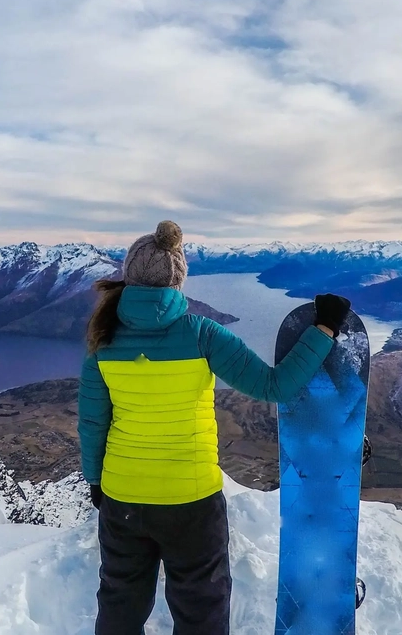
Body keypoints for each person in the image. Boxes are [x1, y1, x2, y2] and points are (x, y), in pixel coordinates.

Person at [78, 220, 352, 635]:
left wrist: (96, 482)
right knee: (200, 611)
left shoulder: (103, 341)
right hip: (192, 501)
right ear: (178, 278)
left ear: (128, 277)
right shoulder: (201, 334)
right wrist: (325, 328)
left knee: (120, 603)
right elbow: (274, 386)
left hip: (123, 498)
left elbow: (93, 422)